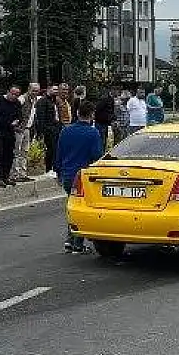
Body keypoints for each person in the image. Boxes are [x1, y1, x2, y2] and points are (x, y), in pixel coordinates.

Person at [56, 102, 103, 253]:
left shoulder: (66, 131)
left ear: (77, 114)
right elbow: (96, 156)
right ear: (92, 115)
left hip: (67, 175)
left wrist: (58, 172)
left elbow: (59, 153)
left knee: (73, 207)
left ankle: (71, 241)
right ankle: (77, 243)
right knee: (81, 210)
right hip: (83, 176)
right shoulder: (93, 133)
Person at [0, 86, 22, 187]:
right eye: (13, 93)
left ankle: (5, 176)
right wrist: (8, 123)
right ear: (8, 91)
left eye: (17, 95)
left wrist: (17, 121)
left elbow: (19, 115)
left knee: (9, 155)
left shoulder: (17, 103)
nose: (14, 96)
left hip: (10, 132)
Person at [33, 86, 62, 177]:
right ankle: (49, 169)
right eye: (54, 90)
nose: (56, 91)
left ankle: (54, 168)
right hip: (48, 129)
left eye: (57, 90)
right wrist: (41, 132)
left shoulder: (53, 101)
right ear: (48, 90)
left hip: (55, 128)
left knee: (55, 149)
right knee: (50, 150)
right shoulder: (43, 101)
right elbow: (40, 117)